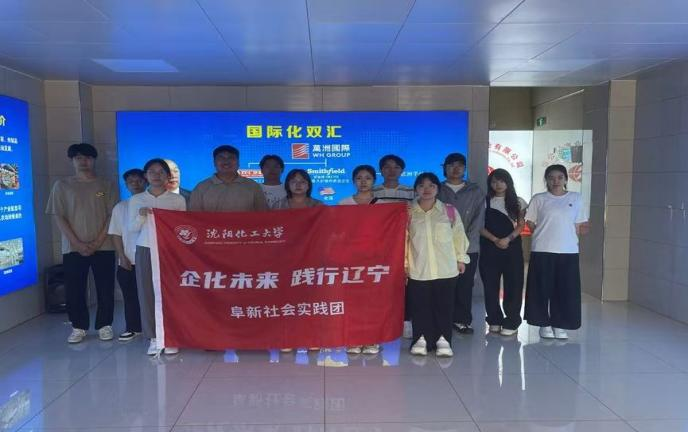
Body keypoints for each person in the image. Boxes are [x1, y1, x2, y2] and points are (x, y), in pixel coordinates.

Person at [46, 143, 118, 344]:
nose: (83, 161)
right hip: (73, 247)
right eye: (78, 158)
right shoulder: (62, 185)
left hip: (104, 245)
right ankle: (78, 327)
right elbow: (59, 217)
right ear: (72, 160)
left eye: (87, 157)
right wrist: (77, 243)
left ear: (94, 160)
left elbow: (112, 215)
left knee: (105, 287)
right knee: (74, 289)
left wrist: (97, 242)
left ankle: (104, 325)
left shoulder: (107, 185)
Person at [407, 172, 470, 357]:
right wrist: (404, 264)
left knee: (444, 306)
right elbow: (403, 240)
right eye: (421, 186)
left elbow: (459, 235)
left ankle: (443, 340)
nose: (426, 189)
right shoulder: (408, 212)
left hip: (446, 268)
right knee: (420, 306)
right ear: (416, 189)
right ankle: (421, 339)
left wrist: (460, 258)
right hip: (418, 268)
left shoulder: (449, 211)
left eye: (431, 185)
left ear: (437, 189)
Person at [524, 164, 589, 340]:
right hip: (542, 249)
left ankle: (560, 324)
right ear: (546, 180)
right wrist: (542, 233)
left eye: (560, 177)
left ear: (566, 179)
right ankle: (543, 324)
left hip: (568, 251)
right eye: (551, 177)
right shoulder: (539, 199)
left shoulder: (576, 198)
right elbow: (530, 221)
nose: (556, 181)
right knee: (541, 289)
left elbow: (580, 224)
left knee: (565, 290)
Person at [129, 159, 186, 355]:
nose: (156, 175)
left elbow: (182, 228)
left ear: (168, 176)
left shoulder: (177, 200)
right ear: (146, 176)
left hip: (169, 251)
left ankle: (171, 336)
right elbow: (132, 228)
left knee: (171, 292)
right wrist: (141, 215)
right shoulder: (137, 200)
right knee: (146, 293)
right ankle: (154, 337)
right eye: (152, 172)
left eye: (161, 172)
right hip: (145, 248)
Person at [438, 153, 484, 335]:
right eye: (451, 165)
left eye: (459, 165)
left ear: (464, 168)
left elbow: (479, 219)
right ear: (444, 168)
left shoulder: (475, 191)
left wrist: (464, 244)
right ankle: (443, 318)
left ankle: (462, 319)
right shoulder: (437, 189)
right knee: (443, 284)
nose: (455, 169)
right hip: (441, 247)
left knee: (465, 284)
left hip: (468, 247)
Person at [338, 164, 382, 354]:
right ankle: (354, 339)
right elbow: (338, 231)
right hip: (351, 259)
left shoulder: (382, 205)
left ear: (374, 181)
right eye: (359, 178)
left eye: (368, 178)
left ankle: (372, 339)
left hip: (376, 259)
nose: (363, 182)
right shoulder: (344, 203)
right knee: (352, 300)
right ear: (353, 181)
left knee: (373, 301)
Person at [479, 169, 527, 337]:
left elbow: (521, 224)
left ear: (508, 182)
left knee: (514, 284)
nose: (498, 185)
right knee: (490, 285)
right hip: (489, 247)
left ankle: (512, 321)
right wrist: (495, 239)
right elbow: (479, 226)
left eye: (501, 181)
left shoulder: (518, 201)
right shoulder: (484, 201)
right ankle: (494, 319)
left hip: (512, 247)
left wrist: (508, 239)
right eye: (494, 181)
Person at [372, 154, 415, 338]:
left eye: (396, 167)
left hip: (405, 243)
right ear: (381, 170)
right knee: (381, 282)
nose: (391, 171)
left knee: (406, 283)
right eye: (387, 167)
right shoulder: (372, 192)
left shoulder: (411, 192)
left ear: (402, 170)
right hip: (379, 245)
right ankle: (382, 321)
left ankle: (406, 321)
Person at [107, 168, 147, 342]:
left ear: (146, 181)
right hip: (129, 258)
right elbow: (115, 234)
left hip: (151, 259)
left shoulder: (152, 204)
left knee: (152, 296)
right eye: (131, 182)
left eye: (139, 180)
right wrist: (121, 256)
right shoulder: (121, 207)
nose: (135, 184)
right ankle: (133, 327)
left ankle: (155, 330)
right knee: (130, 295)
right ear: (126, 185)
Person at [190, 145, 268, 212]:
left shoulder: (253, 186)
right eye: (221, 158)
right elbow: (194, 218)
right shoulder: (201, 188)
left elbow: (263, 215)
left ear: (238, 163)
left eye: (231, 158)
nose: (226, 161)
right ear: (214, 163)